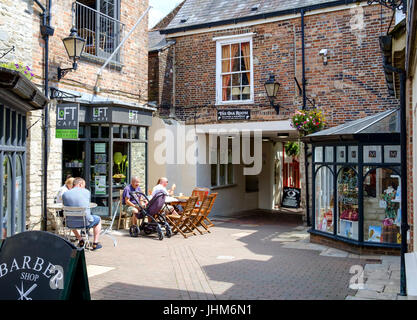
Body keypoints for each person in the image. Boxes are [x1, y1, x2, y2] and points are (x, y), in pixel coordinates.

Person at [62, 177, 102, 250]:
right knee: (98, 219)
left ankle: (80, 239)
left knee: (71, 218)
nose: (84, 187)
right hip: (85, 222)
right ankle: (95, 243)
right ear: (80, 184)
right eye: (84, 185)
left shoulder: (65, 194)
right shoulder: (86, 192)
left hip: (70, 222)